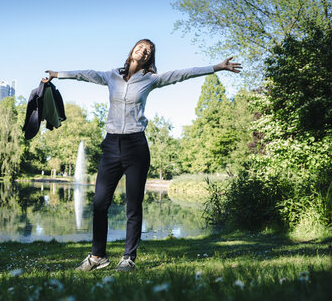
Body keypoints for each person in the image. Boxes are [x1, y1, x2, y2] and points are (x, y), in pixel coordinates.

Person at [42, 39, 242, 272]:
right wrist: (58, 74)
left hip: (136, 145)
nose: (144, 50)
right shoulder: (112, 76)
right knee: (99, 203)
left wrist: (216, 67)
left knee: (133, 205)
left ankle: (128, 258)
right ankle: (98, 257)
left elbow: (183, 74)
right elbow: (86, 74)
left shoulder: (151, 79)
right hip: (111, 144)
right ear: (132, 50)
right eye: (140, 46)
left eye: (148, 50)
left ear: (150, 58)